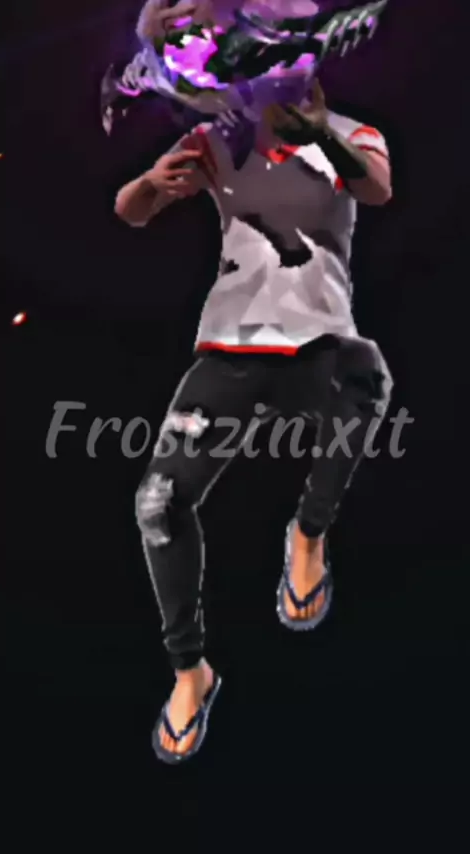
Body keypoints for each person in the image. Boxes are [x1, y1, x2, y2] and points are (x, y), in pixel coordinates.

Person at [115, 10, 393, 765]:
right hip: (232, 345)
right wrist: (149, 183)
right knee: (158, 503)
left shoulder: (352, 134)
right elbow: (132, 210)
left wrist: (321, 135)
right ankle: (190, 671)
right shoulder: (217, 139)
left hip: (320, 342)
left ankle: (308, 533)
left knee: (367, 381)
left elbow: (375, 189)